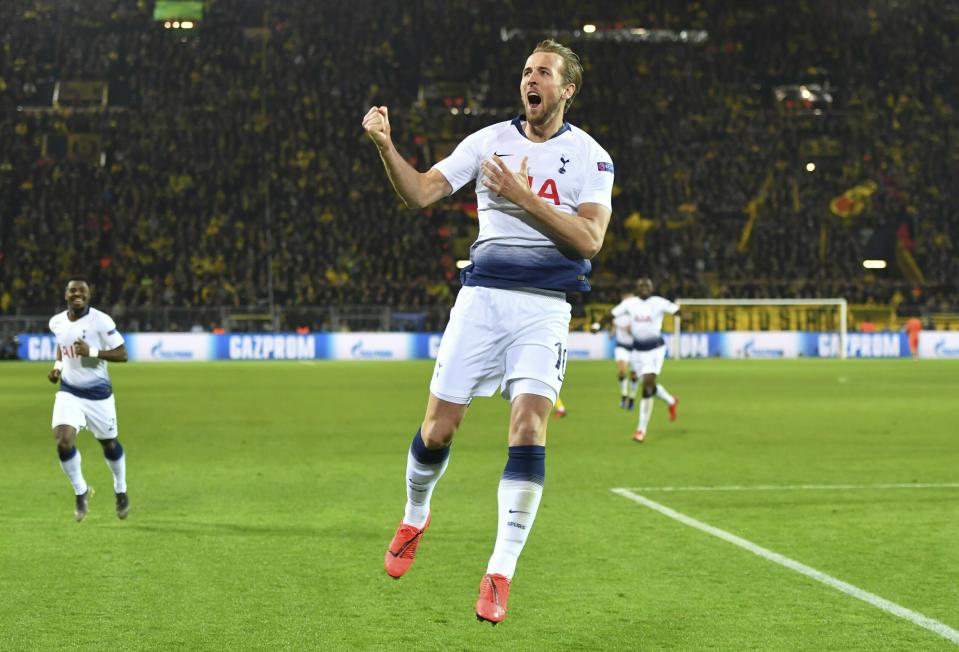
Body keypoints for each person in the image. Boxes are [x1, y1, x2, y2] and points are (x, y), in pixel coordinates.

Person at [362, 39, 613, 624]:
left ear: (567, 89)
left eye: (544, 72)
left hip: (546, 308)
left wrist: (521, 196)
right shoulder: (486, 142)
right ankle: (415, 514)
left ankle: (500, 571)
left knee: (528, 428)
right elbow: (421, 192)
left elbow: (589, 241)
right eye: (526, 71)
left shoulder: (593, 158)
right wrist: (386, 146)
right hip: (481, 302)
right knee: (438, 429)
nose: (531, 79)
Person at [47, 277, 130, 521]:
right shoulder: (57, 322)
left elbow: (123, 354)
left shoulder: (101, 321)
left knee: (109, 444)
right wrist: (58, 367)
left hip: (99, 397)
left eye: (82, 291)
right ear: (66, 295)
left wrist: (92, 351)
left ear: (89, 296)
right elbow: (63, 345)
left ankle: (121, 489)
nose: (77, 294)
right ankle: (81, 491)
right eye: (72, 291)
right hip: (69, 392)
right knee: (63, 441)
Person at [612, 278, 679, 443]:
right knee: (649, 386)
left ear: (652, 287)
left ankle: (640, 430)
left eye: (647, 285)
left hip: (655, 350)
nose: (643, 288)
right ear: (636, 289)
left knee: (647, 387)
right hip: (637, 351)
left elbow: (676, 310)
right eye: (640, 285)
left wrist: (683, 314)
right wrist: (597, 325)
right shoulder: (631, 304)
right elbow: (612, 314)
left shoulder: (658, 302)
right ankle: (671, 400)